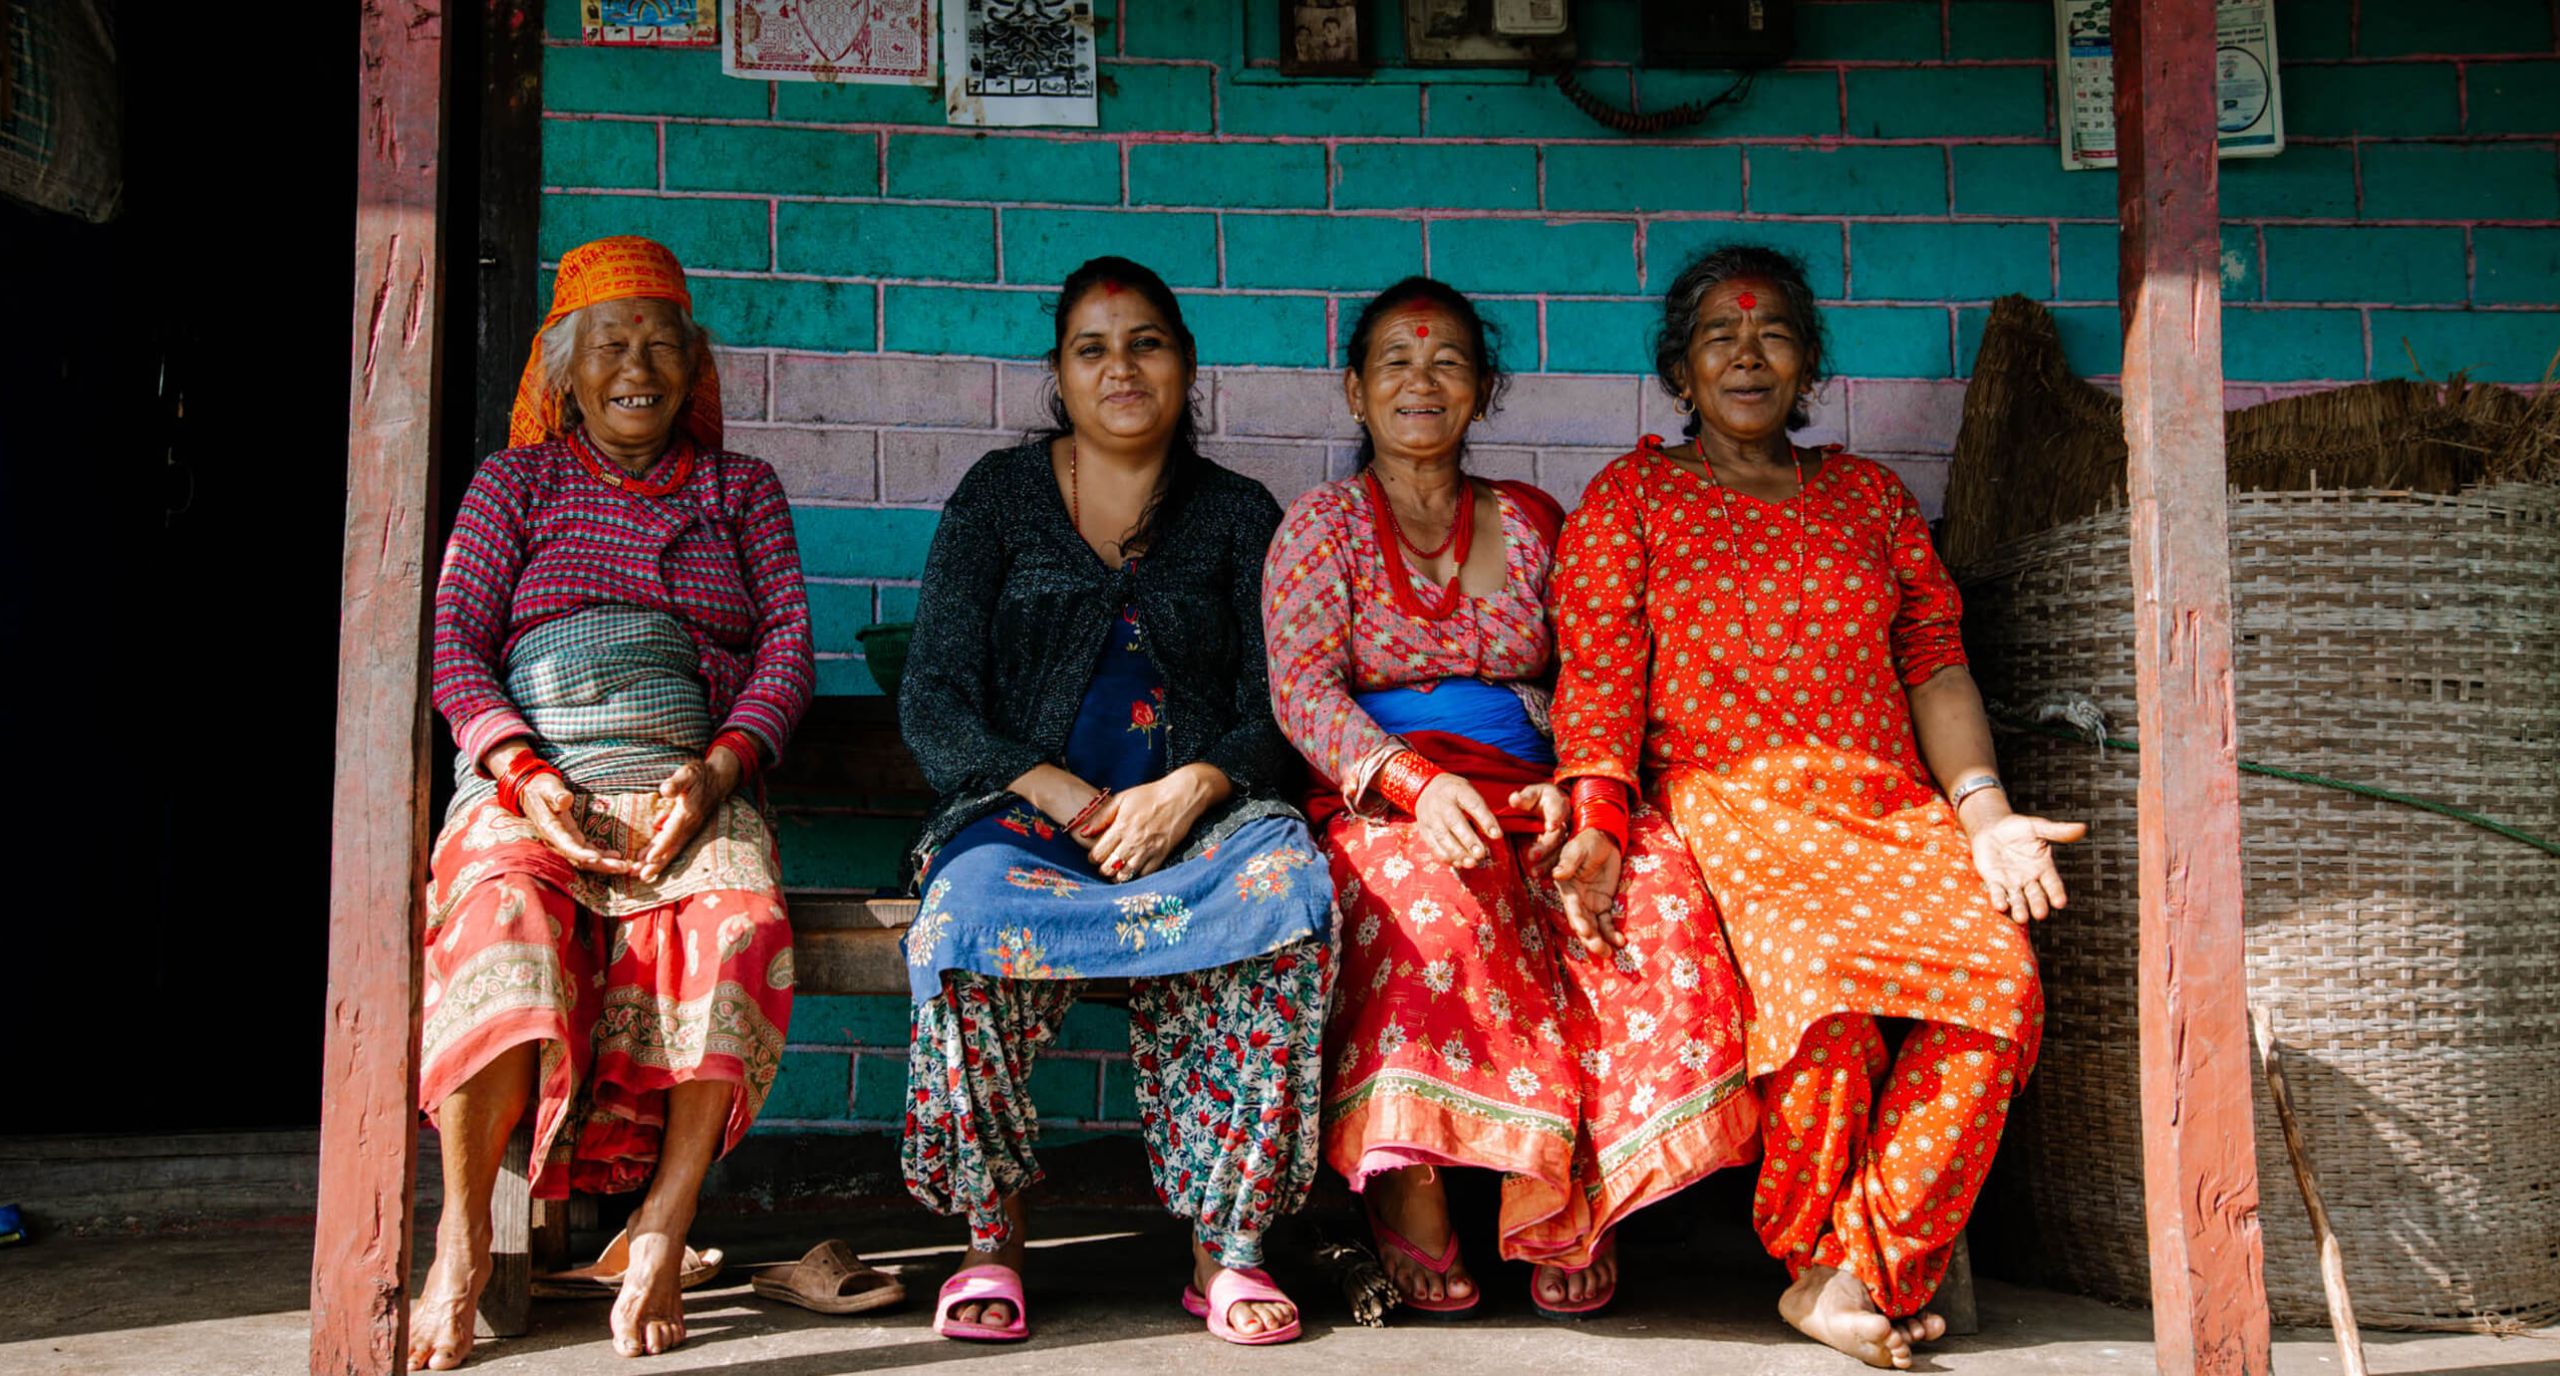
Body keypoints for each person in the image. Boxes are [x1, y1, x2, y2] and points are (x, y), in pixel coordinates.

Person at [1549, 245, 2084, 1370]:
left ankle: (1857, 1271)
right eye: (1718, 338)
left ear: (1808, 368)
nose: (1748, 355)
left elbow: (1935, 667)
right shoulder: (1632, 496)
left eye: (1774, 335)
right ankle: (1814, 1265)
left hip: (1890, 811)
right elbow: (1597, 679)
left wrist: (1983, 814)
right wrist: (1597, 818)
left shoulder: (1868, 499)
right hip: (1734, 806)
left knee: (1998, 985)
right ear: (1679, 372)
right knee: (1821, 1003)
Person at [1262, 278, 1758, 1320]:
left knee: (1651, 893)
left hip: (1534, 792)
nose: (1420, 382)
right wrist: (1413, 782)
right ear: (1354, 391)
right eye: (1394, 362)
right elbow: (1300, 690)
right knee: (1437, 904)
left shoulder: (1536, 521)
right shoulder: (1321, 528)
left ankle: (1576, 1191)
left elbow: (1598, 670)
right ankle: (1412, 1185)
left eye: (1446, 363)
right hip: (1389, 803)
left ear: (1483, 390)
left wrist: (1591, 799)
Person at [897, 255, 1334, 1347]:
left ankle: (1225, 1247)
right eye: (1092, 349)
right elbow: (933, 694)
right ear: (1060, 372)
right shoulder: (998, 499)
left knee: (1284, 896)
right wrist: (1041, 781)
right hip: (1025, 820)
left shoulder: (1238, 515)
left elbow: (1281, 702)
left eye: (1144, 343)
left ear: (1185, 366)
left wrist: (1192, 787)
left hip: (1200, 829)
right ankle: (990, 1233)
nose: (1120, 367)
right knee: (962, 927)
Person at [410, 236, 816, 1368]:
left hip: (688, 783)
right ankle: (459, 1246)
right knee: (504, 923)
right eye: (608, 343)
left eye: (659, 342)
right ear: (565, 371)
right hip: (535, 784)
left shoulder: (743, 492)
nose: (635, 364)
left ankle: (661, 1230)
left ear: (693, 369)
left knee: (737, 928)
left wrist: (722, 766)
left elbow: (787, 648)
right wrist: (527, 778)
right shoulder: (516, 484)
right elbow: (455, 646)